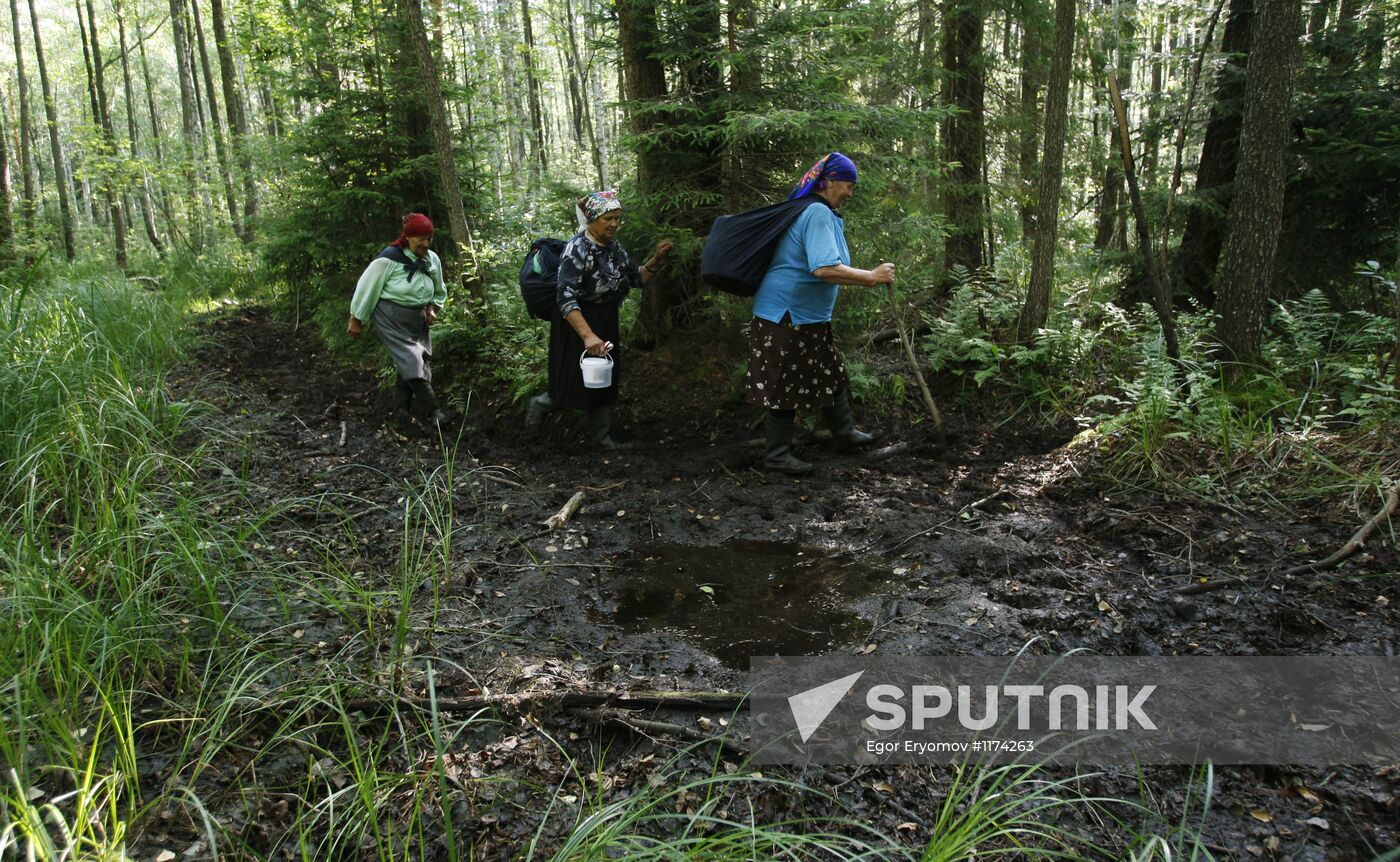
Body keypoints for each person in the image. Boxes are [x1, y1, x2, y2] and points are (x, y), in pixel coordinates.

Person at [746, 153, 894, 475]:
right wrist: (871, 277)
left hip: (805, 317)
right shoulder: (816, 213)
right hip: (786, 315)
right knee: (782, 384)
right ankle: (777, 454)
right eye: (848, 185)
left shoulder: (816, 211)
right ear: (829, 182)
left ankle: (845, 434)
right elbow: (824, 268)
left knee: (829, 372)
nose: (851, 193)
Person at [525, 190, 673, 448]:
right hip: (575, 323)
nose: (615, 224)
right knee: (569, 380)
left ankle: (602, 438)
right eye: (608, 218)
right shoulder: (577, 249)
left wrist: (656, 260)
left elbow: (636, 278)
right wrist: (587, 335)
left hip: (606, 320)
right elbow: (565, 298)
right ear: (592, 219)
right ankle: (537, 409)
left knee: (605, 379)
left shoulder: (615, 248)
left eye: (617, 218)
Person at [347, 213, 449, 425]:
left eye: (429, 238)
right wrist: (356, 319)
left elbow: (439, 289)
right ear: (408, 237)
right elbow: (366, 289)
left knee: (414, 362)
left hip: (417, 319)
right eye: (421, 238)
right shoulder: (387, 260)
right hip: (390, 317)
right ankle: (435, 413)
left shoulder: (432, 259)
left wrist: (432, 307)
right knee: (411, 359)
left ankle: (400, 411)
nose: (426, 243)